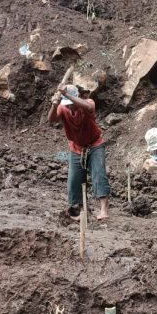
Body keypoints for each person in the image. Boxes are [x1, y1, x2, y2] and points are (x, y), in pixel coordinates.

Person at [48, 84, 110, 220]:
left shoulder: (87, 103)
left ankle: (104, 210)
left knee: (99, 174)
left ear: (76, 97)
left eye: (71, 103)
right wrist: (54, 105)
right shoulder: (63, 107)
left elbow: (89, 107)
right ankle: (79, 209)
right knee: (74, 180)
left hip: (95, 145)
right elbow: (52, 120)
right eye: (67, 104)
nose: (70, 107)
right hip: (76, 147)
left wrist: (67, 95)